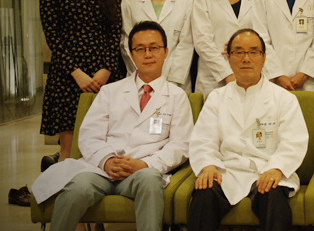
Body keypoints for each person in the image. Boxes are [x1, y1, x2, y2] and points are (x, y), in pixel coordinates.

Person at [32, 21, 194, 231]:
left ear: (165, 52)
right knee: (76, 188)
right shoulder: (110, 91)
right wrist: (107, 160)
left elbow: (180, 144)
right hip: (101, 171)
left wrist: (145, 164)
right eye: (140, 49)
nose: (148, 54)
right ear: (131, 54)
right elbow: (90, 135)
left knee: (150, 180)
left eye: (154, 48)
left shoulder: (177, 96)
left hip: (143, 171)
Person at [188, 29, 309, 231]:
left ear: (264, 58)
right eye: (238, 52)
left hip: (267, 168)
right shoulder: (217, 98)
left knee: (272, 195)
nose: (246, 58)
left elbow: (293, 142)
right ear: (229, 58)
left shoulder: (284, 99)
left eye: (253, 52)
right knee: (204, 193)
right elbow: (203, 140)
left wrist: (276, 168)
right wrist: (208, 166)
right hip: (226, 171)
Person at [40, 0, 123, 163]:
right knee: (68, 152)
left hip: (104, 76)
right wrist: (77, 73)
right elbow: (53, 36)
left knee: (108, 148)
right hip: (68, 76)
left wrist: (106, 69)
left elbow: (114, 32)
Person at [121, 0, 194, 91]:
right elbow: (127, 43)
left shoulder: (186, 3)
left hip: (176, 84)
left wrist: (173, 82)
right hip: (139, 82)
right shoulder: (129, 2)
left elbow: (186, 45)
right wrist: (145, 76)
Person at [191, 0, 255, 94]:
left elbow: (264, 36)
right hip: (213, 80)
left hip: (251, 75)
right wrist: (227, 74)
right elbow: (202, 42)